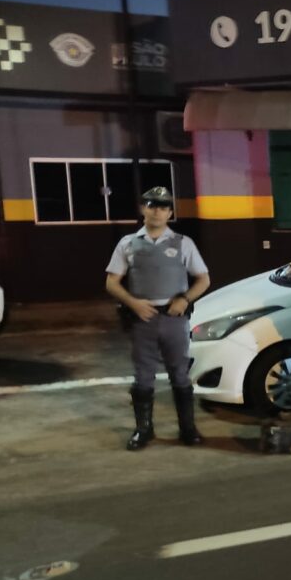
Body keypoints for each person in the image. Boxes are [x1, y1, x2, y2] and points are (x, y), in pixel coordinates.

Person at [105, 186, 211, 450]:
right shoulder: (128, 243)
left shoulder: (183, 243)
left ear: (170, 213)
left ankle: (188, 429)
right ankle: (144, 430)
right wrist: (132, 303)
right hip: (143, 319)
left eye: (163, 207)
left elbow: (204, 279)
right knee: (143, 377)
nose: (157, 211)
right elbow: (112, 282)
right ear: (143, 209)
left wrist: (184, 299)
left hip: (174, 318)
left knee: (180, 375)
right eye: (152, 205)